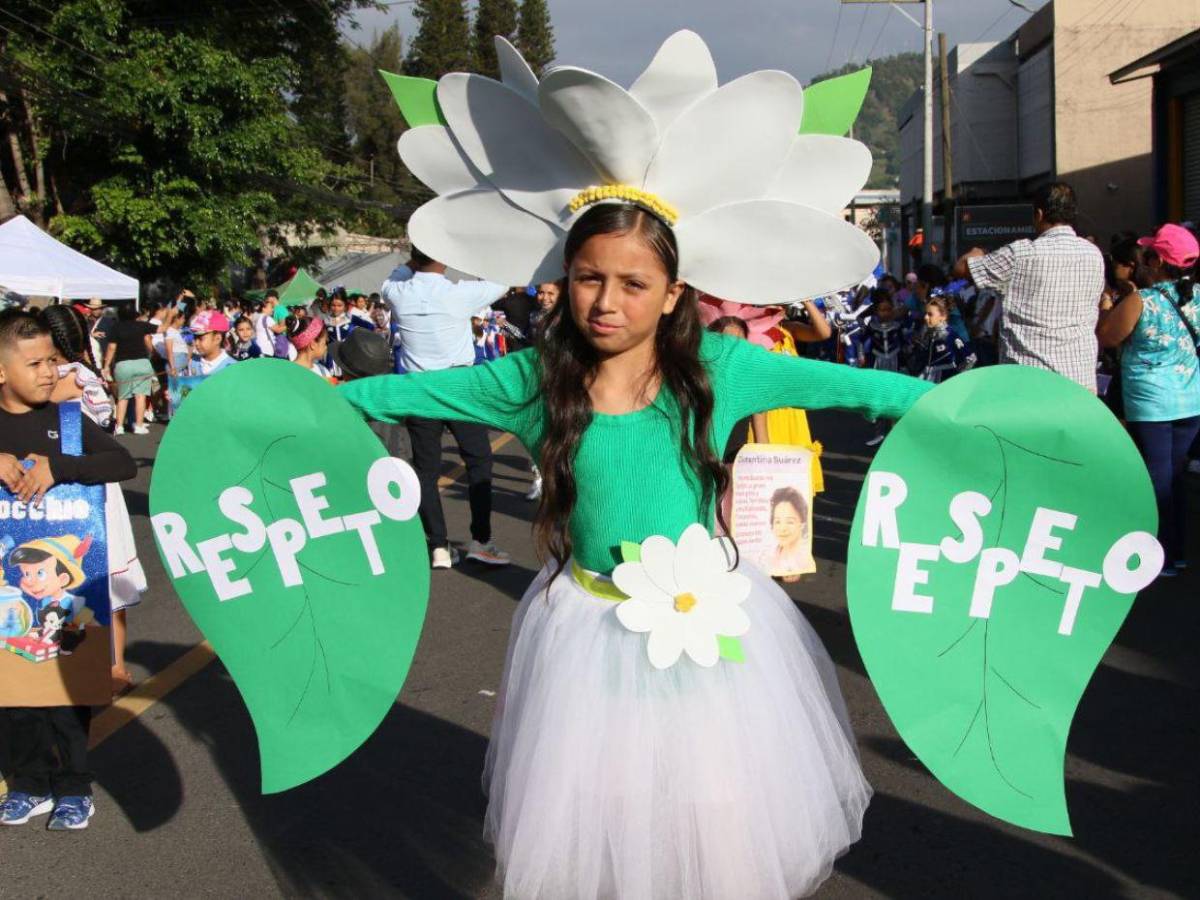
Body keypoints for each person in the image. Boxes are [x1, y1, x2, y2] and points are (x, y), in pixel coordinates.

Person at [341, 203, 933, 899]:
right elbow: (399, 392)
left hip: (705, 631)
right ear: (565, 279)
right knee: (605, 811)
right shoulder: (532, 380)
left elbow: (861, 389)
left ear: (673, 293)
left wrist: (986, 406)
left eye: (635, 283)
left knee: (711, 811)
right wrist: (283, 396)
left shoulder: (722, 367)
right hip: (586, 633)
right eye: (591, 278)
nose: (608, 302)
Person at [0, 309, 137, 830]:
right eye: (34, 363)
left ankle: (75, 787)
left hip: (67, 593)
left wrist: (61, 466)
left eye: (53, 361)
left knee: (65, 693)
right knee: (12, 695)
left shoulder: (69, 422)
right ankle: (28, 783)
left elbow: (121, 462)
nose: (48, 372)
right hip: (8, 594)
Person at [380, 248, 513, 569]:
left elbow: (390, 280)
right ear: (444, 258)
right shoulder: (459, 293)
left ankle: (438, 546)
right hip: (458, 386)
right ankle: (480, 540)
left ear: (414, 257)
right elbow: (503, 283)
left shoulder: (398, 292)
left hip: (420, 389)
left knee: (426, 469)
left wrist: (414, 262)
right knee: (478, 460)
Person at [41, 304, 146, 694]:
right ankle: (106, 663)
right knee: (76, 574)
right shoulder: (81, 375)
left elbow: (99, 434)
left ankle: (113, 665)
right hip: (76, 486)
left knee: (102, 570)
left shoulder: (73, 379)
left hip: (85, 485)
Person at [1097, 223, 1200, 575]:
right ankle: (1179, 551)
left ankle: (1163, 557)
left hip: (1152, 402)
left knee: (1158, 478)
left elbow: (1108, 337)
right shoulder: (1198, 295)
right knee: (1174, 477)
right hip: (1191, 400)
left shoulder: (1144, 300)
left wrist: (1109, 306)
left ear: (1157, 260)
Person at [953, 181, 1105, 391]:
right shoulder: (1094, 254)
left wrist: (976, 253)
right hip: (1079, 378)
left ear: (1040, 214)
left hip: (1029, 379)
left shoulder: (1021, 254)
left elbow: (962, 269)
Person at [102, 304, 157, 435]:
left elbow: (111, 348)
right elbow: (161, 328)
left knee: (123, 396)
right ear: (135, 315)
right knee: (141, 395)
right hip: (142, 363)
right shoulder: (141, 325)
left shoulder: (116, 328)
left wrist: (106, 366)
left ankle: (119, 426)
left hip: (123, 364)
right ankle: (138, 425)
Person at [907, 297, 977, 383]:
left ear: (943, 316)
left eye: (930, 314)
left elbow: (971, 358)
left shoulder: (950, 335)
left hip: (945, 383)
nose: (925, 317)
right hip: (928, 379)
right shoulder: (929, 334)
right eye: (925, 314)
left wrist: (957, 377)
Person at [759, 485, 812, 575]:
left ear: (802, 524)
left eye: (790, 522)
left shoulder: (805, 561)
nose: (783, 529)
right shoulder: (765, 558)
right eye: (777, 521)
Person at [188, 311, 234, 376]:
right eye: (195, 338)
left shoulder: (231, 367)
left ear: (217, 339)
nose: (196, 343)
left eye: (201, 338)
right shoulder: (193, 362)